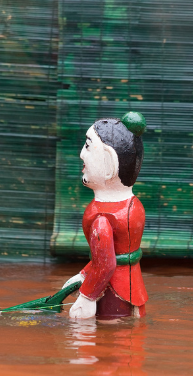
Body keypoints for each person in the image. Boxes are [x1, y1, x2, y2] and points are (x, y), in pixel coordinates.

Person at [63, 113, 149, 320]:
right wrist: (82, 275)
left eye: (88, 146)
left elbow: (107, 264)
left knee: (109, 344)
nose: (81, 154)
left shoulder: (103, 217)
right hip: (131, 290)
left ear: (109, 163)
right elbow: (106, 259)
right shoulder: (133, 205)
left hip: (112, 298)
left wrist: (86, 297)